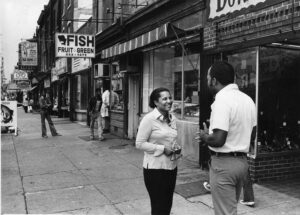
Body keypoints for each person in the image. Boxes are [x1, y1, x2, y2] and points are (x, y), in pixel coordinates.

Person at [196, 61, 256, 215]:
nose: (207, 81)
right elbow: (252, 133)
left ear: (214, 80)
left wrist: (204, 136)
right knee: (230, 209)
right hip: (242, 162)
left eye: (208, 78)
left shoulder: (221, 100)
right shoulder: (247, 100)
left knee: (224, 212)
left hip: (224, 164)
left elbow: (218, 140)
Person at [136, 87, 182, 215]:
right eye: (165, 99)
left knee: (167, 205)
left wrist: (175, 148)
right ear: (156, 102)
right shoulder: (149, 119)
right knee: (158, 207)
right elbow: (139, 144)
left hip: (171, 167)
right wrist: (162, 149)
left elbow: (169, 139)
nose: (169, 101)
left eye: (170, 98)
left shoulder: (172, 118)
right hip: (155, 170)